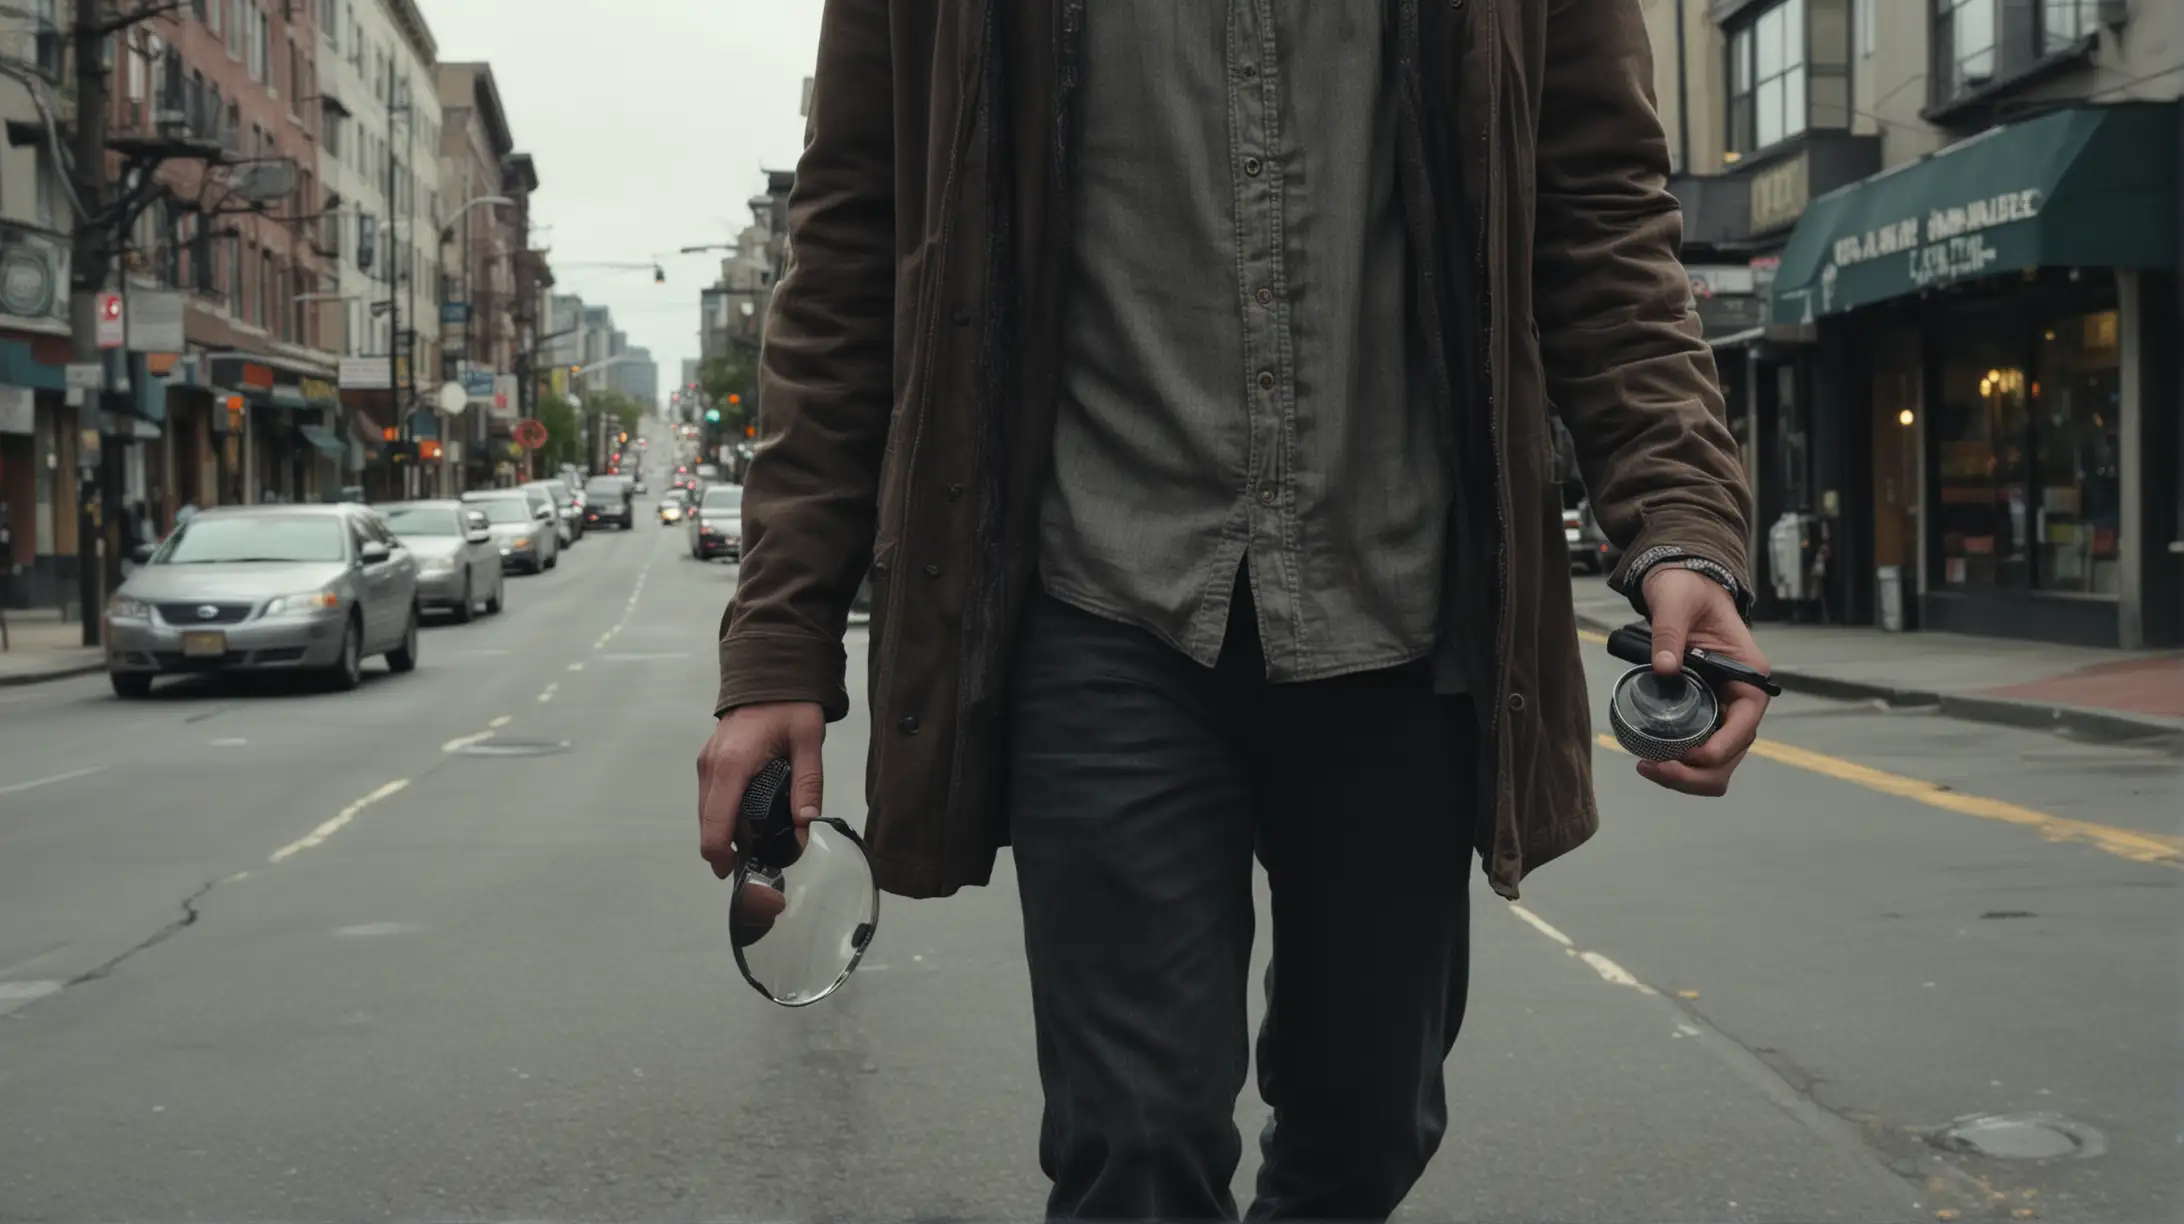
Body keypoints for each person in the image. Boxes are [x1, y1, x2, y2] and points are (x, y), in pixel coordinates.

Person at [697, 3, 1771, 1219]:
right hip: (1100, 601)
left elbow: (1604, 231)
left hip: (1399, 603)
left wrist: (1682, 529)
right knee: (1133, 1141)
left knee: (1369, 1126)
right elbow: (847, 267)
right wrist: (780, 642)